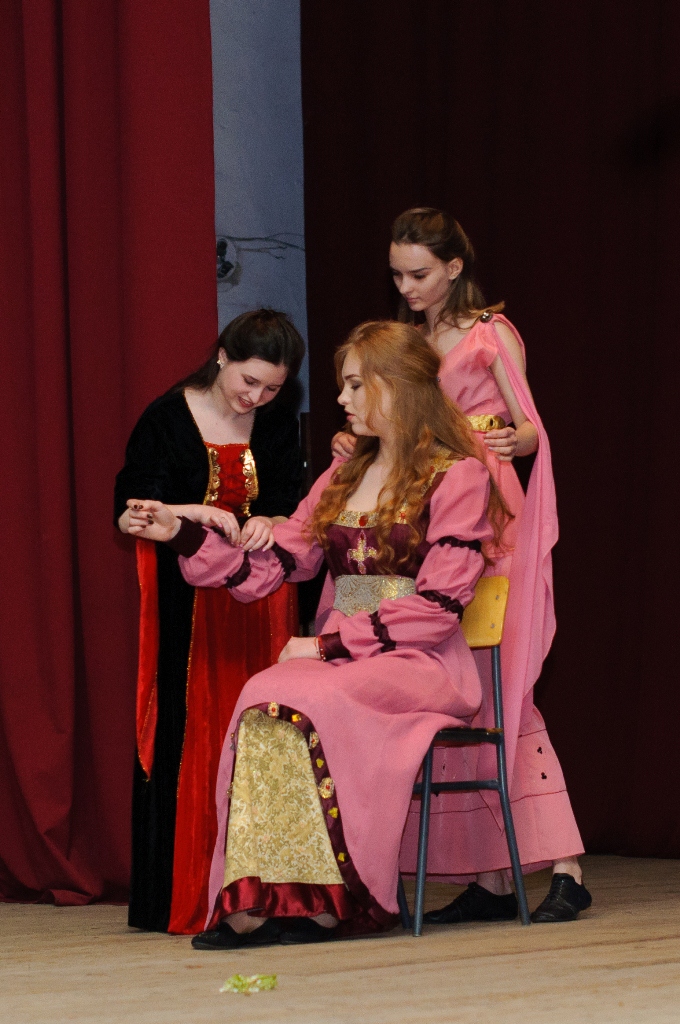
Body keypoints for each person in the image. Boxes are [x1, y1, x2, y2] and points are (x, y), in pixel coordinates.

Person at [124, 320, 509, 947]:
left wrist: (329, 644)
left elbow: (440, 605)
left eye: (355, 385)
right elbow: (271, 568)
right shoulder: (343, 475)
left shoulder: (458, 475)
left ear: (395, 387)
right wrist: (185, 535)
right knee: (263, 695)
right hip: (346, 660)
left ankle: (335, 901)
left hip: (422, 660)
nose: (341, 398)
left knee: (308, 694)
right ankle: (263, 898)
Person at [332, 208, 591, 925]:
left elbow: (531, 425)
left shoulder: (489, 333)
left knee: (501, 685)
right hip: (424, 505)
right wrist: (359, 442)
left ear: (453, 267)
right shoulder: (404, 343)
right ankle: (493, 877)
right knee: (457, 685)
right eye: (396, 274)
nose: (406, 287)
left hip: (486, 506)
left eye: (418, 273)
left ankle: (563, 867)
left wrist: (511, 440)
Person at [114, 309, 305, 934]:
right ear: (222, 355)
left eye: (272, 388)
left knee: (265, 729)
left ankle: (269, 896)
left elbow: (296, 505)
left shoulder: (275, 422)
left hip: (264, 601)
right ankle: (185, 895)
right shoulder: (166, 418)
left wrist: (270, 520)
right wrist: (192, 511)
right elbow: (129, 511)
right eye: (249, 381)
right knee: (188, 728)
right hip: (187, 602)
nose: (257, 397)